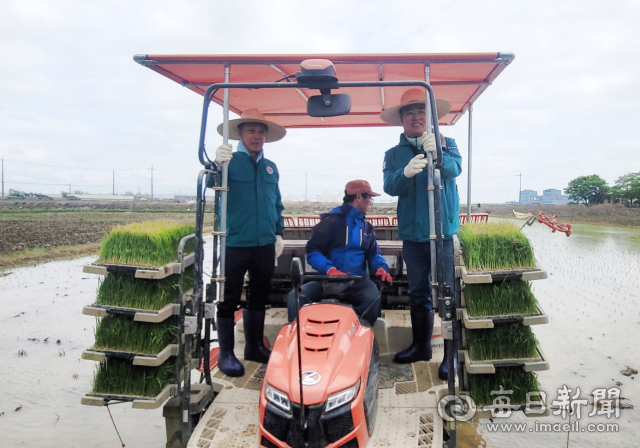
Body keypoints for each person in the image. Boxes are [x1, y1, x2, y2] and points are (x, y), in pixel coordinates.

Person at [381, 89, 462, 380]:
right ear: (401, 120)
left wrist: (437, 154)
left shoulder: (448, 143)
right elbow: (390, 186)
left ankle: (450, 356)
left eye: (421, 113)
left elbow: (455, 170)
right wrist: (406, 172)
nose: (416, 117)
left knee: (448, 294)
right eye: (409, 113)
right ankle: (420, 346)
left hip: (442, 234)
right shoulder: (393, 154)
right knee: (418, 292)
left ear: (430, 119)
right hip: (414, 236)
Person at [214, 108, 286, 377]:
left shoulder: (271, 167)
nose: (256, 136)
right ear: (241, 134)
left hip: (265, 243)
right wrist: (215, 164)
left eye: (261, 131)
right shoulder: (228, 162)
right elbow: (212, 184)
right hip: (234, 242)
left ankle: (254, 347)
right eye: (251, 130)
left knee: (259, 296)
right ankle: (226, 354)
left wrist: (278, 233)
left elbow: (276, 203)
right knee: (228, 298)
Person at [286, 180, 393, 326]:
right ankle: (298, 334)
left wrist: (381, 268)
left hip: (357, 283)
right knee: (295, 297)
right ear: (359, 197)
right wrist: (330, 270)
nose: (370, 202)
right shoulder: (330, 223)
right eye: (369, 198)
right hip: (326, 281)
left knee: (372, 299)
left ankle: (357, 335)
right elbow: (312, 252)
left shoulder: (366, 227)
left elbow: (374, 254)